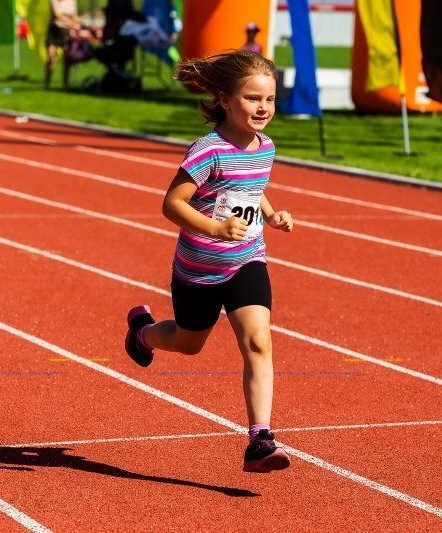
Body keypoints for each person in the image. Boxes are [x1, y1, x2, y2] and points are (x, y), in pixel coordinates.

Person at [124, 50, 293, 474]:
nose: (263, 108)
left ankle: (260, 437)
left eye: (269, 100)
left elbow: (252, 187)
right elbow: (171, 204)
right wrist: (214, 230)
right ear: (223, 99)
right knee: (188, 342)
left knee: (258, 340)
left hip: (246, 260)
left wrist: (271, 215)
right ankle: (143, 334)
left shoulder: (265, 147)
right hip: (199, 269)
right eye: (253, 99)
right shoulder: (207, 151)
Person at [45, 0, 82, 89]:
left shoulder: (72, 1)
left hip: (66, 31)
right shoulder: (54, 1)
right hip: (54, 30)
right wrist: (72, 24)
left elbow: (74, 15)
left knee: (66, 58)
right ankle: (47, 83)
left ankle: (65, 84)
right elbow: (58, 16)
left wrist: (78, 23)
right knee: (51, 57)